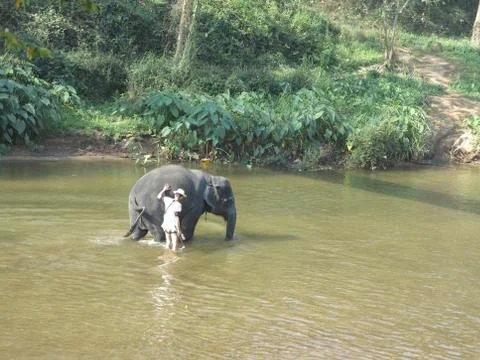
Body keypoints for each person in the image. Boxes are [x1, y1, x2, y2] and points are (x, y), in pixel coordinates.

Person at [157, 183, 187, 251]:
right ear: (181, 197)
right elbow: (176, 218)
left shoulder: (168, 199)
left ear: (175, 194)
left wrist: (163, 190)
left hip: (166, 223)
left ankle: (166, 258)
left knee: (168, 242)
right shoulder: (178, 205)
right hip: (172, 225)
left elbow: (158, 196)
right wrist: (179, 229)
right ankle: (173, 259)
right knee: (174, 244)